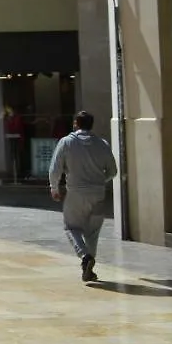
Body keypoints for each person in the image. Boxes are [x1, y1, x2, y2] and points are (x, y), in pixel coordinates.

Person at [49, 111, 118, 283]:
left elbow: (55, 168)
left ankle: (85, 257)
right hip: (98, 193)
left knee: (71, 227)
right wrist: (100, 180)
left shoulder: (66, 142)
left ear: (75, 124)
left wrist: (54, 187)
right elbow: (113, 171)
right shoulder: (102, 144)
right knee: (92, 232)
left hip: (76, 193)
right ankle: (89, 267)